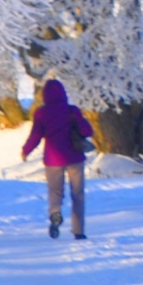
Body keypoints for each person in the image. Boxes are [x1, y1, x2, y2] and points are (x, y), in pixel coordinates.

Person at [20, 78, 96, 239]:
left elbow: (36, 135)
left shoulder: (41, 113)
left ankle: (55, 214)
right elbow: (87, 131)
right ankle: (79, 231)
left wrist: (26, 150)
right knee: (78, 194)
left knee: (55, 192)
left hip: (53, 160)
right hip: (75, 157)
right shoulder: (72, 111)